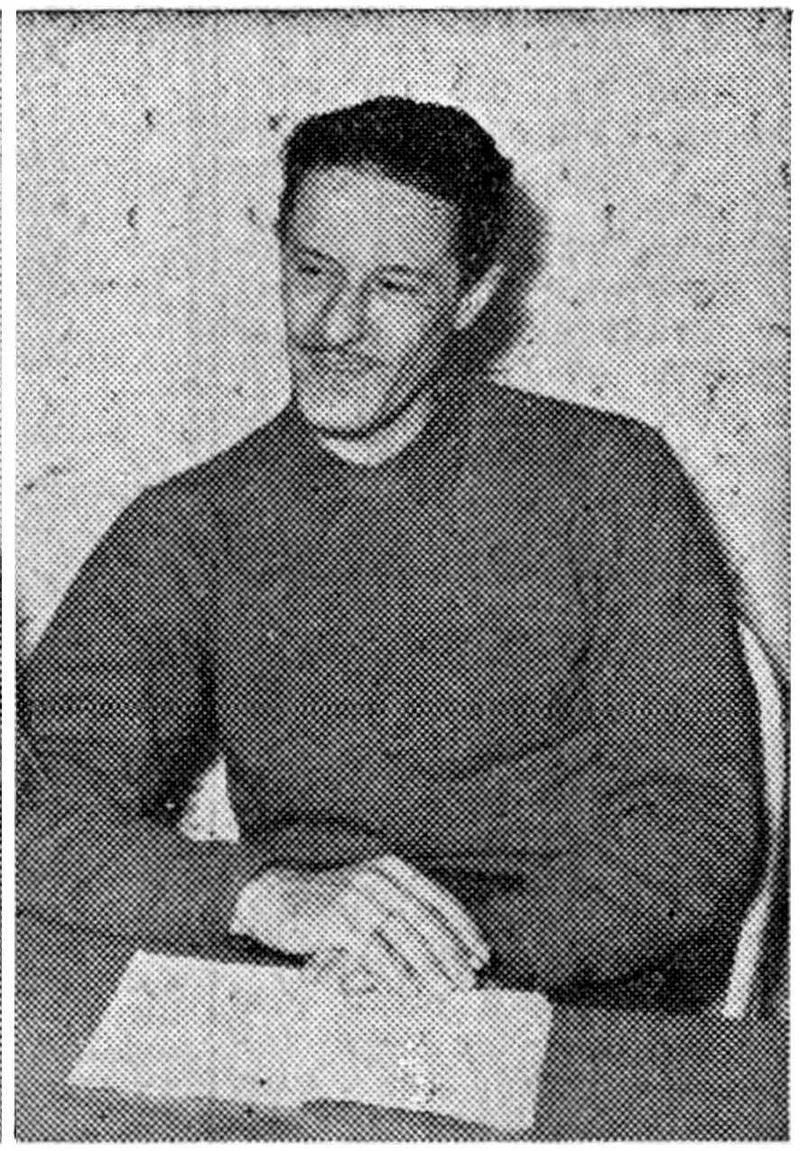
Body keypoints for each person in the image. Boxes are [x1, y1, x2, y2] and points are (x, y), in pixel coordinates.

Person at [19, 96, 767, 1012]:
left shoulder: (610, 477)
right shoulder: (191, 523)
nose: (334, 326)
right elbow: (36, 815)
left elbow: (699, 818)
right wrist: (262, 897)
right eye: (313, 271)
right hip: (306, 974)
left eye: (394, 288)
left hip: (571, 977)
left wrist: (463, 952)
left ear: (473, 295)